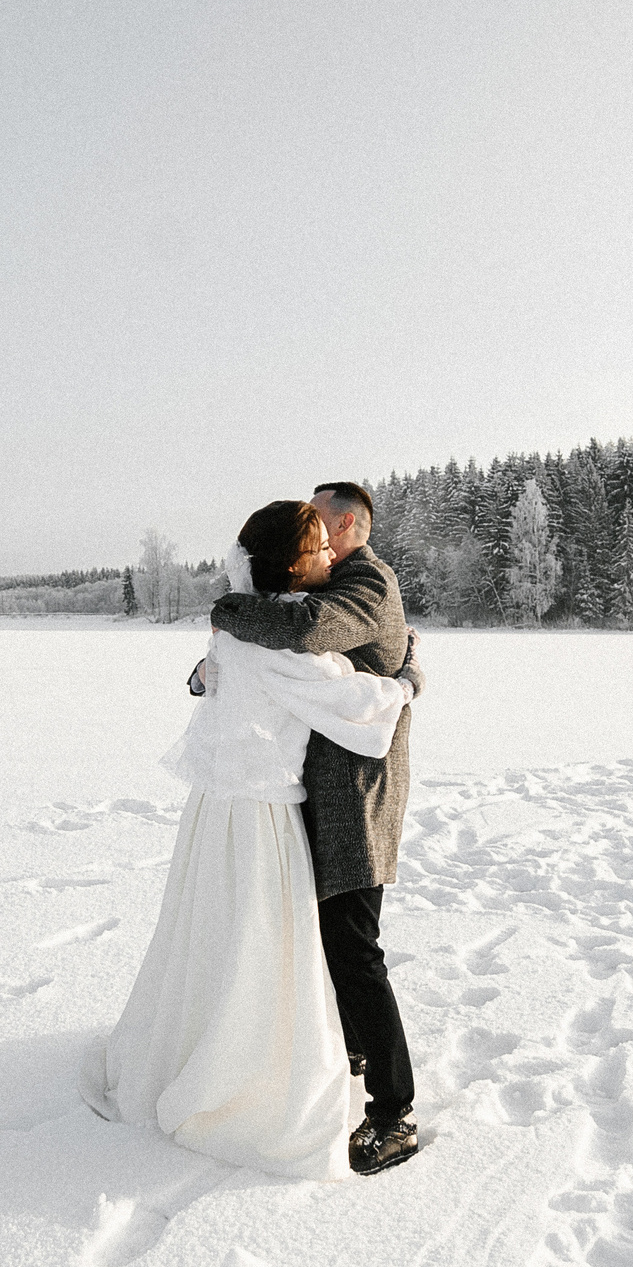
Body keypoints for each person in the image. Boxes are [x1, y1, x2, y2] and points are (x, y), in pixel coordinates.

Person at [81, 500, 424, 1181]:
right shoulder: (277, 645)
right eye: (319, 548)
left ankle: (196, 1042)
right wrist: (408, 679)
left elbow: (210, 676)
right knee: (263, 945)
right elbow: (359, 708)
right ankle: (253, 1069)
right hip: (263, 819)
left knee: (211, 932)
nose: (331, 557)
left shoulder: (239, 626)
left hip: (215, 811)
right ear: (292, 565)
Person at [207, 481, 422, 1177]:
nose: (316, 534)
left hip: (355, 796)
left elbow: (302, 632)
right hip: (315, 787)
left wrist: (232, 612)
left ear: (355, 525)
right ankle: (351, 1049)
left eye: (324, 522)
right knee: (328, 939)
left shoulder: (367, 583)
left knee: (356, 948)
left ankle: (395, 1115)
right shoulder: (339, 577)